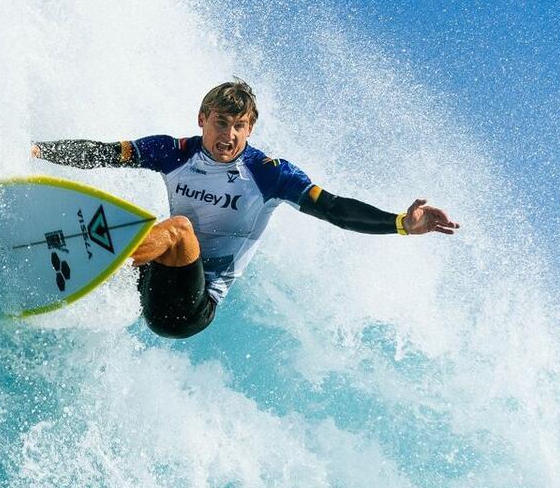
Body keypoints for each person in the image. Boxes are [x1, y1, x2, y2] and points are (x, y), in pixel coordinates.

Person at [32, 80, 458, 339]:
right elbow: (106, 153)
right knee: (156, 224)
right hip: (152, 284)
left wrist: (401, 224)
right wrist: (36, 150)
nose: (228, 134)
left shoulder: (270, 175)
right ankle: (74, 266)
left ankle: (104, 259)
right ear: (202, 119)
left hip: (191, 310)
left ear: (250, 129)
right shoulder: (172, 151)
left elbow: (334, 209)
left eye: (239, 126)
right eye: (221, 122)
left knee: (179, 229)